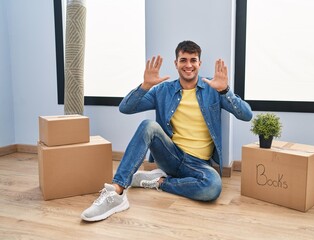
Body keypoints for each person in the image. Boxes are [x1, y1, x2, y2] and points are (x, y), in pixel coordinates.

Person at [81, 40, 253, 221]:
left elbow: (246, 115)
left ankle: (159, 182)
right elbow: (126, 108)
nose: (188, 65)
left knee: (213, 187)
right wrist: (145, 86)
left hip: (199, 164)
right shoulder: (163, 90)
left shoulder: (213, 89)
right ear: (176, 63)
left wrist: (225, 90)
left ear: (199, 64)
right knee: (148, 125)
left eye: (193, 60)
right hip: (171, 155)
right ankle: (117, 192)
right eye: (183, 60)